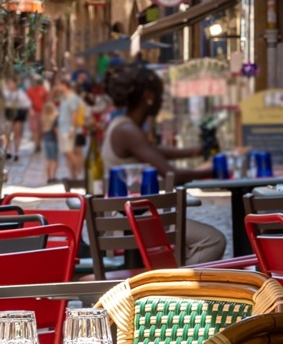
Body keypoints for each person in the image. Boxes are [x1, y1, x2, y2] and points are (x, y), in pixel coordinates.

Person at [102, 61, 224, 263]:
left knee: (184, 250)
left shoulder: (124, 126)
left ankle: (171, 283)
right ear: (149, 96)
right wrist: (210, 171)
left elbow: (155, 152)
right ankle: (174, 288)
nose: (161, 100)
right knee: (213, 240)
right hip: (135, 220)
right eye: (160, 94)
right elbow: (172, 174)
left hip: (131, 216)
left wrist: (195, 151)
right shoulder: (128, 131)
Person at [55, 76, 86, 183]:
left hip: (70, 128)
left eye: (59, 85)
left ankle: (79, 172)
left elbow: (74, 113)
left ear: (64, 85)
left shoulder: (72, 98)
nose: (57, 87)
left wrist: (72, 128)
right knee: (66, 152)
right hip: (63, 128)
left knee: (70, 151)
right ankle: (72, 175)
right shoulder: (64, 97)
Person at [2, 77, 30, 160]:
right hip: (9, 114)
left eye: (12, 83)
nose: (10, 85)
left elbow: (27, 104)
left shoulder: (20, 93)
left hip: (18, 114)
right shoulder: (6, 94)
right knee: (7, 133)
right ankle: (8, 151)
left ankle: (16, 152)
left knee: (17, 134)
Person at [25, 75, 49, 153]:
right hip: (34, 113)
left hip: (42, 113)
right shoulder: (29, 91)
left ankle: (39, 143)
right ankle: (36, 146)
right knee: (35, 130)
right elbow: (27, 102)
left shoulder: (43, 90)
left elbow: (46, 101)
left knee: (41, 130)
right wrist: (30, 110)